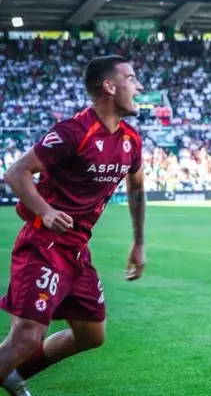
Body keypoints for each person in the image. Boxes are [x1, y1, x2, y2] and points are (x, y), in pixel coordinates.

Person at [0, 55, 147, 395]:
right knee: (26, 336)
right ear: (109, 86)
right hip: (43, 245)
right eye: (131, 78)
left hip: (77, 252)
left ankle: (14, 374)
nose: (139, 86)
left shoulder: (131, 141)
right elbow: (16, 172)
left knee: (91, 334)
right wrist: (46, 211)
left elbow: (136, 187)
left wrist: (139, 242)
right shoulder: (74, 131)